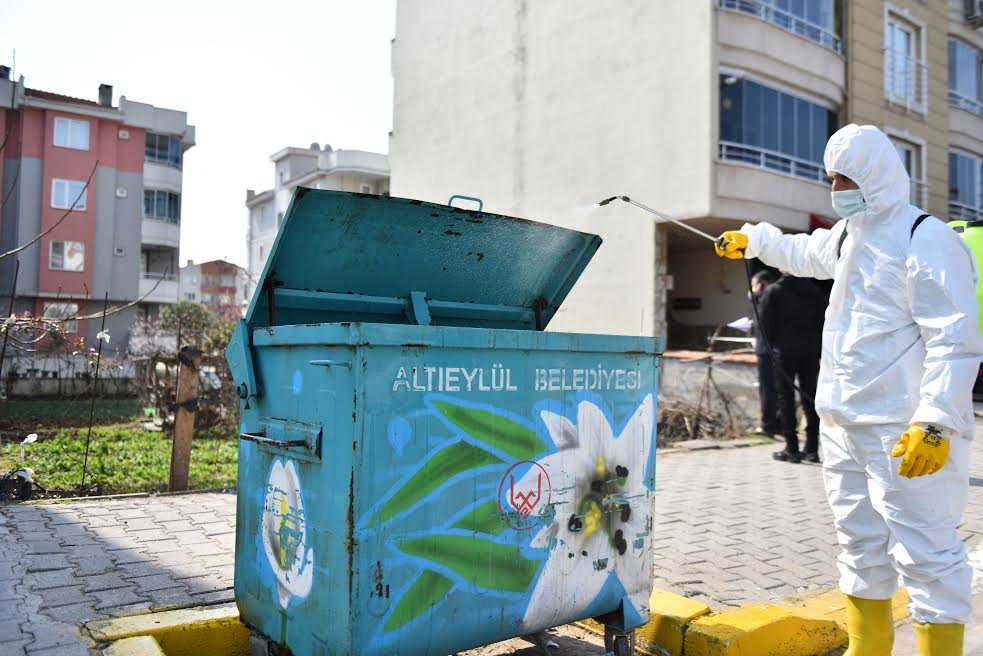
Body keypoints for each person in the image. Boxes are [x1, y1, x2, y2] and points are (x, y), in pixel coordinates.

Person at [714, 124, 983, 655]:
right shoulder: (847, 235)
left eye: (845, 178)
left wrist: (936, 422)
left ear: (876, 177)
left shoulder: (925, 238)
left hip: (903, 430)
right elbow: (802, 251)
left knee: (926, 552)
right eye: (832, 177)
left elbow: (955, 340)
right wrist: (756, 240)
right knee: (860, 547)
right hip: (842, 422)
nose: (836, 188)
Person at [757, 273, 823, 464]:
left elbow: (764, 325)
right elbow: (822, 322)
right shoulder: (814, 291)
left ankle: (792, 448)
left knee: (785, 397)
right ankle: (812, 449)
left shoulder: (774, 291)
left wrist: (772, 347)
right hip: (810, 351)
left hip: (784, 352)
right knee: (810, 397)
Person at [749, 270, 779, 438]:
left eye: (754, 286)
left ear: (761, 285)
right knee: (777, 388)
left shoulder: (767, 299)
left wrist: (754, 297)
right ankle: (778, 423)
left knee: (767, 389)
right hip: (774, 349)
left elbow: (762, 320)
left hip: (766, 350)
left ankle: (768, 425)